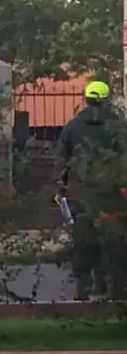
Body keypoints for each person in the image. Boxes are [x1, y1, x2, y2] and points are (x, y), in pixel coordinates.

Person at [57, 80, 121, 300]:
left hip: (81, 191)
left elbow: (63, 159)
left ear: (86, 98)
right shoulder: (117, 126)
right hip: (111, 192)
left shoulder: (73, 126)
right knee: (111, 238)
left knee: (84, 238)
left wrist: (61, 186)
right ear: (106, 99)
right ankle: (110, 287)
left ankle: (82, 287)